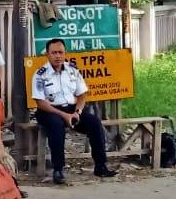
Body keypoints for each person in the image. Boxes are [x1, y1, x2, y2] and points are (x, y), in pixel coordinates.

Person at [31, 38, 118, 185]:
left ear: (65, 53)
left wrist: (77, 112)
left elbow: (82, 94)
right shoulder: (40, 75)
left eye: (60, 52)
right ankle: (58, 170)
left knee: (94, 123)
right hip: (49, 111)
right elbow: (40, 102)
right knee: (56, 126)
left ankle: (100, 166)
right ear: (47, 54)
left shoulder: (72, 70)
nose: (58, 56)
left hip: (72, 110)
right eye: (54, 53)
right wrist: (64, 115)